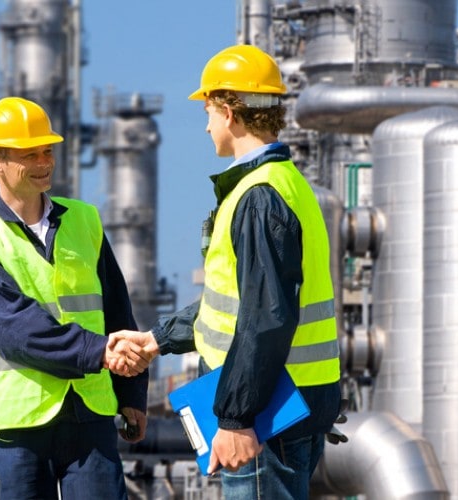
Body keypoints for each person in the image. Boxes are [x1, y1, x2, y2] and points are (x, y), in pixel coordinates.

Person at [109, 44, 341, 500]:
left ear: (231, 113)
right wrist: (157, 339)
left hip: (267, 416)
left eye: (210, 111)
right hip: (286, 404)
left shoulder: (257, 197)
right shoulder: (286, 185)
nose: (206, 124)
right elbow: (234, 304)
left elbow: (266, 317)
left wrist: (236, 419)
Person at [0, 96, 151, 500]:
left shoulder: (85, 220)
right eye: (30, 154)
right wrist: (100, 353)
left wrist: (132, 394)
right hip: (19, 422)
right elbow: (16, 330)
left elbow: (116, 309)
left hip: (89, 410)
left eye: (47, 151)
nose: (44, 163)